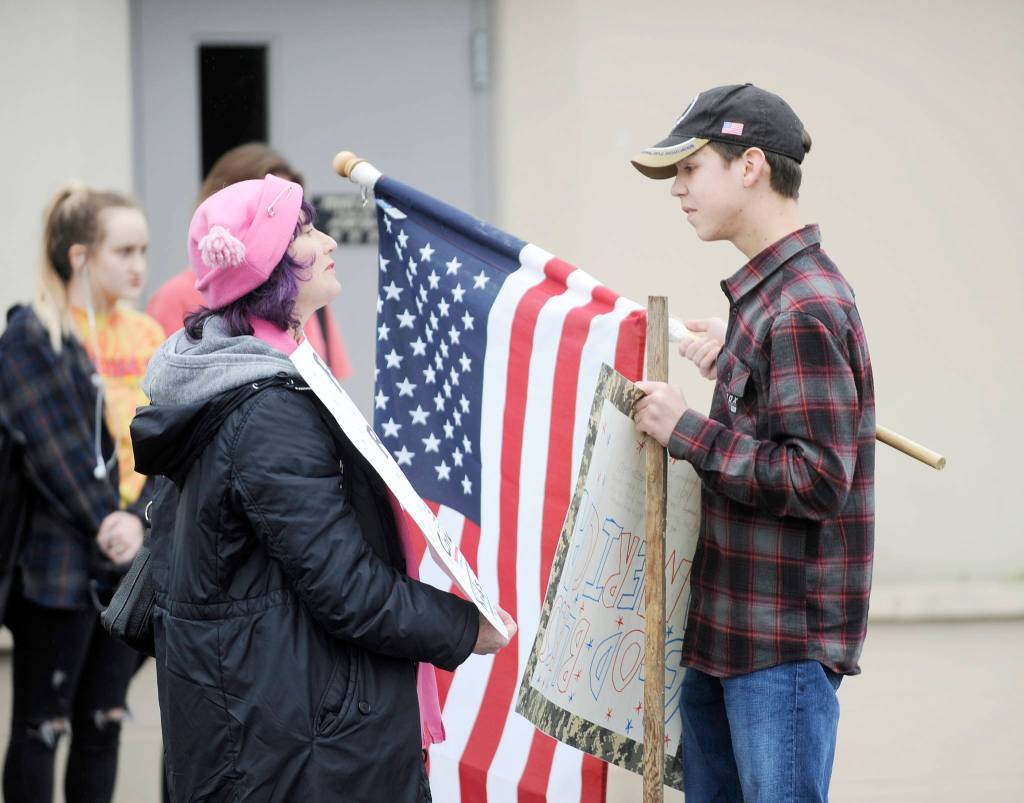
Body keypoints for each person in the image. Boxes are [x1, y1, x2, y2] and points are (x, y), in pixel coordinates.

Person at [131, 174, 516, 802]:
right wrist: (463, 628)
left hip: (271, 720)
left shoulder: (241, 377)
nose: (328, 240)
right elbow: (343, 587)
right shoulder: (265, 409)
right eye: (304, 231)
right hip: (297, 737)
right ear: (271, 269)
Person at [630, 83, 875, 803]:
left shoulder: (803, 305)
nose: (677, 189)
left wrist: (688, 431)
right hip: (725, 638)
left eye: (690, 167)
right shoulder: (770, 301)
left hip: (778, 648)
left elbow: (817, 478)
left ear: (750, 167)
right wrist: (736, 358)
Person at [0, 184, 163, 803]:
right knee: (42, 727)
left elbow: (171, 446)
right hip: (56, 566)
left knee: (103, 725)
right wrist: (108, 520)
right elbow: (52, 448)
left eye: (143, 249)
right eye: (123, 250)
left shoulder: (150, 336)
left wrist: (138, 521)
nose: (138, 265)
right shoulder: (34, 335)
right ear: (79, 257)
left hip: (128, 558)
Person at [145, 141, 351, 379]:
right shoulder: (175, 296)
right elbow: (176, 385)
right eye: (269, 208)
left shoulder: (307, 292)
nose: (329, 243)